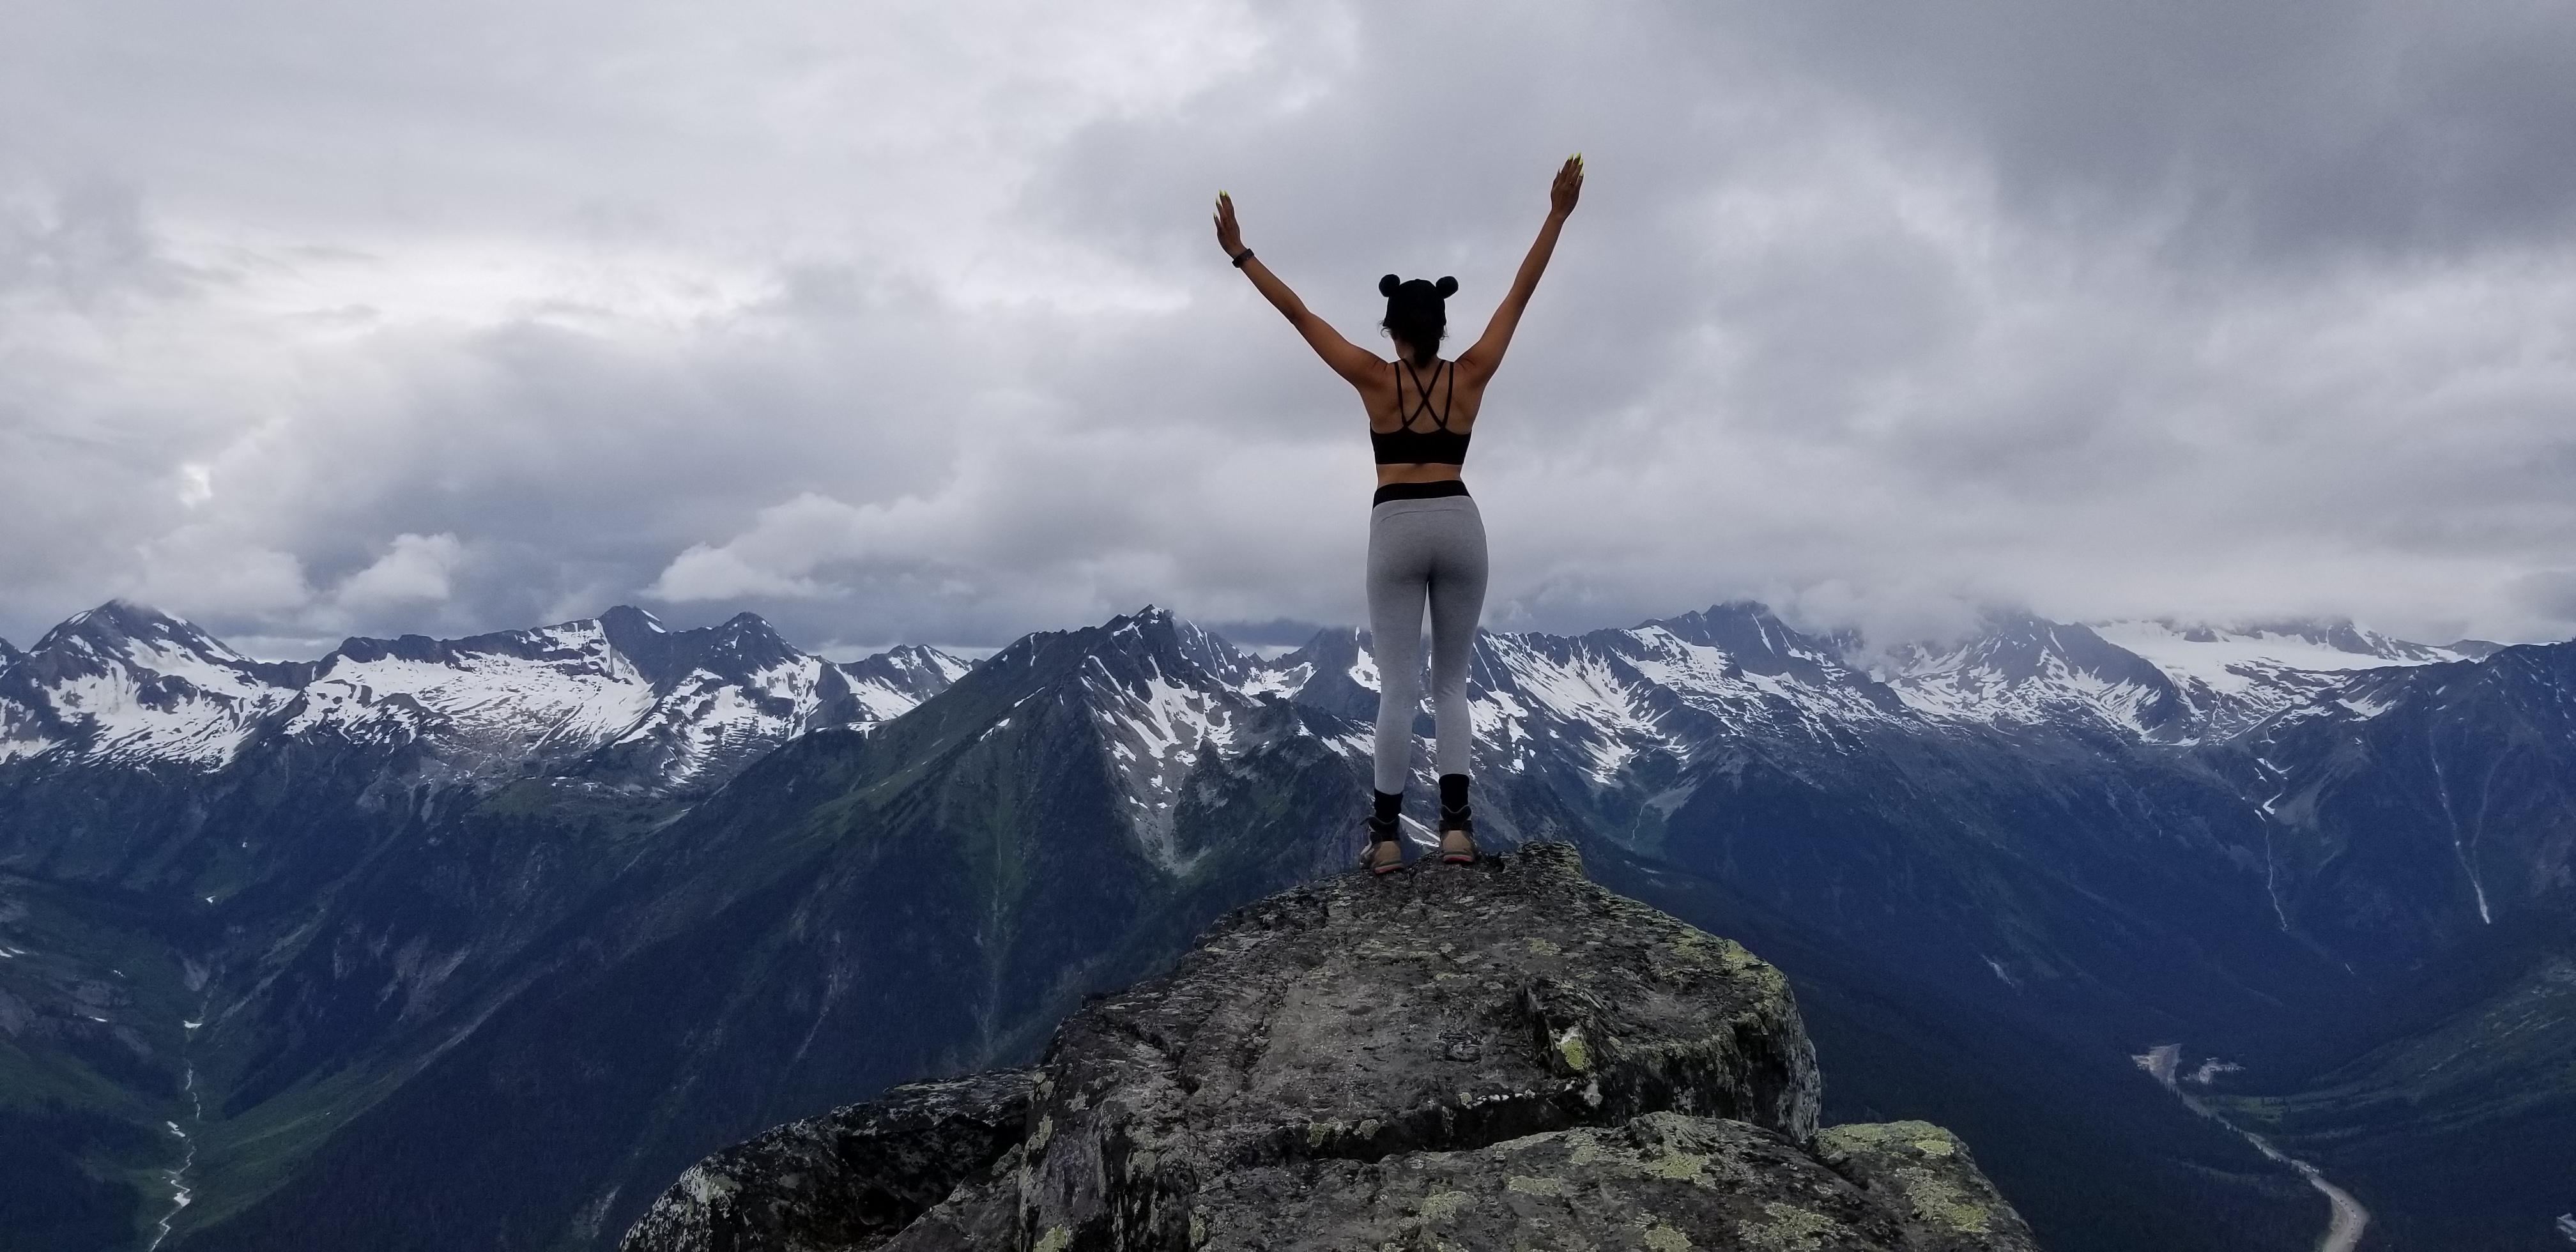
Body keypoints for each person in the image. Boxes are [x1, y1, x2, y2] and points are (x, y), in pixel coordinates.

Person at [1213, 155, 1583, 874]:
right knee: (1451, 684)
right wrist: (1557, 214)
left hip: (1396, 525)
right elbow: (1522, 290)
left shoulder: (1374, 379)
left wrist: (1241, 255)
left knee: (1399, 688)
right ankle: (1456, 831)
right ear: (1442, 327)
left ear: (1391, 328)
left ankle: (1384, 839)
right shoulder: (1470, 375)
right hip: (1460, 519)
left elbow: (1298, 315)